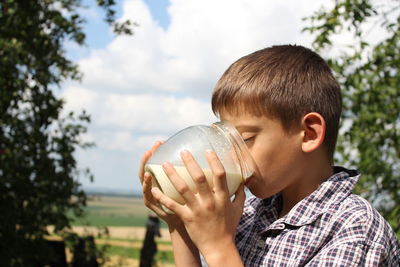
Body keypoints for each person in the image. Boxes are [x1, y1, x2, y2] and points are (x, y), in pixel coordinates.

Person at [138, 45, 400, 266]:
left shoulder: (354, 228)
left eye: (246, 139)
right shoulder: (248, 214)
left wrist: (219, 248)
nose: (231, 154)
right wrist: (179, 223)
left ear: (308, 134)